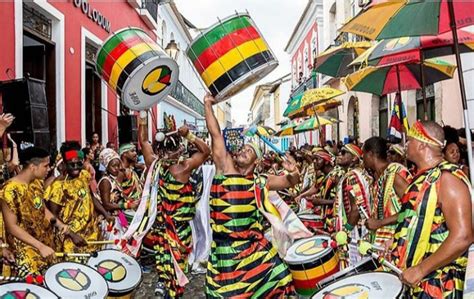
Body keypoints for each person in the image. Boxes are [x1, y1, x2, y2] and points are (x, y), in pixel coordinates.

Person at [204, 94, 300, 297]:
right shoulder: (224, 170)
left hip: (253, 249)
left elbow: (290, 182)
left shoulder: (260, 181)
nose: (243, 151)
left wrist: (293, 171)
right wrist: (207, 105)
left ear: (256, 162)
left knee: (281, 279)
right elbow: (215, 134)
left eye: (249, 150)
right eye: (243, 148)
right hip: (225, 252)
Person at [392, 121, 473, 298]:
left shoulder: (447, 179)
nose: (406, 145)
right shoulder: (426, 177)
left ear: (421, 144)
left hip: (439, 285)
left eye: (410, 140)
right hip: (418, 281)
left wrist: (420, 270)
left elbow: (463, 236)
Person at [138, 113, 211, 298]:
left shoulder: (154, 164)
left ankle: (163, 285)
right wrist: (189, 135)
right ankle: (170, 290)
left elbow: (143, 142)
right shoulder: (183, 168)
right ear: (179, 149)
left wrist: (142, 116)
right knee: (177, 268)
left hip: (161, 229)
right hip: (179, 232)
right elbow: (206, 151)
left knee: (164, 263)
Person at [1, 147, 84, 274]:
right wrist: (39, 246)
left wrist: (64, 228)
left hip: (45, 245)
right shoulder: (9, 189)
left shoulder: (37, 183)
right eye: (45, 166)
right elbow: (11, 226)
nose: (49, 169)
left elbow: (43, 210)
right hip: (25, 250)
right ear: (33, 167)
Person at [45, 141, 108, 254]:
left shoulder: (84, 175)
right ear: (64, 164)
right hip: (70, 239)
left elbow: (91, 197)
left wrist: (106, 214)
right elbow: (52, 216)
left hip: (90, 235)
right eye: (72, 164)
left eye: (79, 164)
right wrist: (72, 235)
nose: (76, 168)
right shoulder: (58, 186)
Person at [362, 137, 411, 253]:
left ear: (370, 154)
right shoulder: (379, 178)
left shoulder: (395, 174)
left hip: (399, 246)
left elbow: (413, 210)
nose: (362, 159)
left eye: (363, 155)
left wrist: (380, 223)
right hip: (383, 248)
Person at [333, 143, 372, 269]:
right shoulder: (359, 174)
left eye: (344, 153)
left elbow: (356, 208)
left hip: (356, 232)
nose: (339, 154)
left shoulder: (352, 177)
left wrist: (345, 231)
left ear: (354, 158)